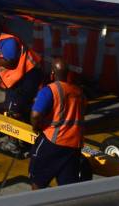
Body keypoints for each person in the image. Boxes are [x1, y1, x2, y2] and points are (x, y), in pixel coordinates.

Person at [30, 57, 89, 188]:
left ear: (52, 73)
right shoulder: (79, 92)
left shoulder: (49, 91)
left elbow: (35, 115)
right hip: (74, 145)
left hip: (53, 142)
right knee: (67, 187)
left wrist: (36, 127)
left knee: (38, 182)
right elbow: (83, 110)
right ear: (68, 74)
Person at [0, 16, 43, 123]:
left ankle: (19, 135)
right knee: (15, 106)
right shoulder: (1, 38)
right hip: (20, 78)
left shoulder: (9, 41)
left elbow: (10, 64)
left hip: (26, 77)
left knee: (14, 111)